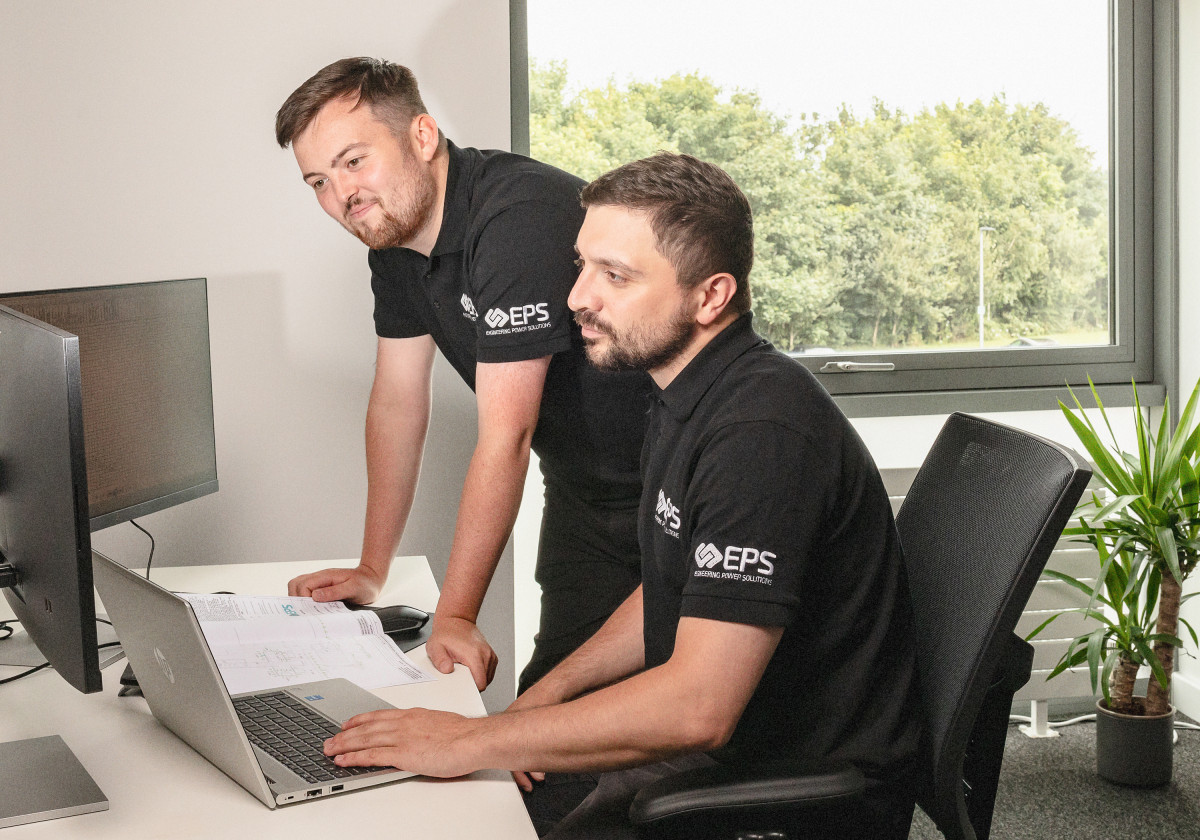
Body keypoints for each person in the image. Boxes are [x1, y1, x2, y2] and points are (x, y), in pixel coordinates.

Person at [318, 152, 922, 839]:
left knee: (472, 807)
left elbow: (698, 707)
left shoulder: (760, 437)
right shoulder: (681, 392)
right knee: (471, 797)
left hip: (780, 790)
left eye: (616, 276)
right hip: (715, 754)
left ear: (710, 296)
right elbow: (671, 588)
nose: (577, 296)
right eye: (581, 266)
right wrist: (543, 698)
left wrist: (466, 741)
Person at [274, 58, 650, 697]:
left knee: (652, 736)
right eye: (318, 180)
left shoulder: (515, 217)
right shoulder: (393, 246)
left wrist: (455, 614)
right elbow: (397, 402)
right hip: (587, 494)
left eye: (354, 160)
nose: (342, 194)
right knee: (546, 719)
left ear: (421, 137)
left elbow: (508, 433)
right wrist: (373, 567)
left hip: (680, 488)